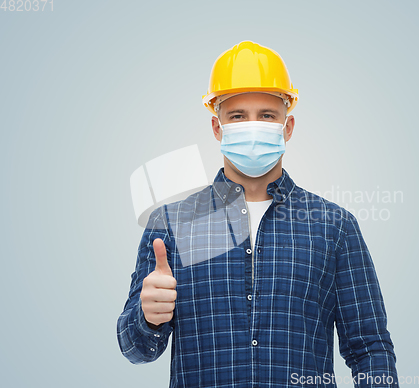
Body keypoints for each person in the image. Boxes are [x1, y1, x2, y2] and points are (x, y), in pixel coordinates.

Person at [117, 40, 399, 388]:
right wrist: (148, 318)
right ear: (217, 128)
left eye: (267, 115)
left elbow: (370, 349)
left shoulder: (333, 226)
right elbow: (134, 349)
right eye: (237, 116)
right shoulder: (172, 226)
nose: (252, 125)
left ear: (288, 126)